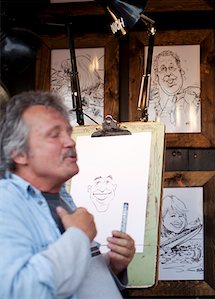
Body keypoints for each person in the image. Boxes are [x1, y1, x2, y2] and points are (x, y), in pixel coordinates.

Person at [0, 91, 136, 298]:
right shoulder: (6, 203)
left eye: (68, 132)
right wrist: (79, 236)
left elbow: (76, 279)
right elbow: (17, 291)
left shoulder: (63, 198)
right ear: (19, 153)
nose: (70, 142)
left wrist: (113, 266)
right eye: (54, 135)